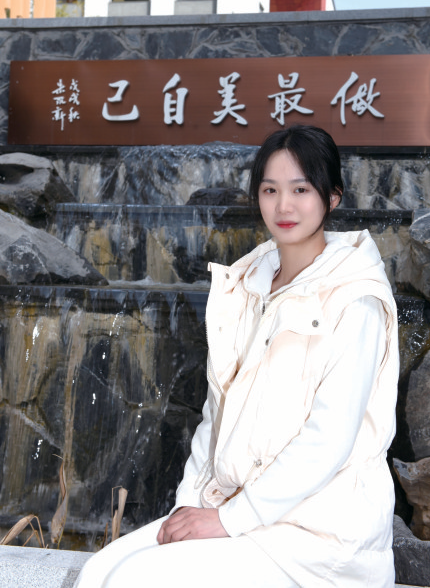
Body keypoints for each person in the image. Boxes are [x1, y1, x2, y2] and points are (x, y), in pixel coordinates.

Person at [74, 124, 399, 588]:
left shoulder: (355, 299)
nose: (283, 206)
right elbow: (218, 411)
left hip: (319, 537)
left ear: (332, 198)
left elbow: (328, 441)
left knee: (134, 580)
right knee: (97, 572)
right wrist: (190, 504)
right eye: (270, 190)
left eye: (300, 190)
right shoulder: (248, 283)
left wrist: (229, 519)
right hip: (237, 509)